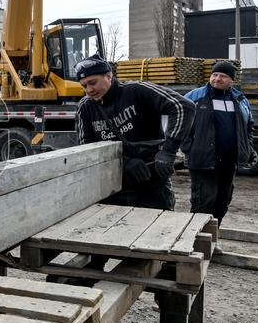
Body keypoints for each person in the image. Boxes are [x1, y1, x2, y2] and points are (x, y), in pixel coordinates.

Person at [74, 54, 195, 210]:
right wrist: (124, 162)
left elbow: (183, 106)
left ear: (108, 76)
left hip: (152, 185)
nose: (89, 90)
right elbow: (87, 150)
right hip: (112, 188)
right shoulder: (85, 107)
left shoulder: (136, 91)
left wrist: (168, 151)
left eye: (93, 83)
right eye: (84, 86)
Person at [183, 60, 253, 224]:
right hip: (203, 160)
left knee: (222, 203)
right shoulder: (195, 97)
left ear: (232, 80)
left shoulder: (240, 100)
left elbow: (249, 126)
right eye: (214, 75)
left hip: (229, 162)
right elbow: (179, 121)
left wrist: (247, 147)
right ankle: (197, 238)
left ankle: (213, 236)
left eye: (223, 76)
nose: (217, 79)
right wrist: (189, 147)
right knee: (203, 203)